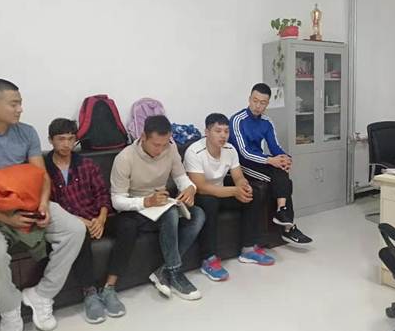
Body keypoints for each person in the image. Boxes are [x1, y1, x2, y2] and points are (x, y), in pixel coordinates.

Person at [0, 79, 85, 331]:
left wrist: (43, 204)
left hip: (28, 201)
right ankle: (9, 309)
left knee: (75, 229)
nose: (20, 109)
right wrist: (3, 217)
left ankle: (42, 295)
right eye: (14, 104)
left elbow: (41, 177)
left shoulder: (27, 132)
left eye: (20, 103)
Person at [45, 118, 133, 323]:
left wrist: (101, 219)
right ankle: (90, 292)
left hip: (96, 216)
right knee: (77, 233)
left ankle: (109, 287)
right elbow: (51, 206)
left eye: (71, 139)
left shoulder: (86, 164)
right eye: (61, 139)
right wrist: (84, 222)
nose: (66, 144)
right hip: (70, 221)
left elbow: (102, 193)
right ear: (50, 140)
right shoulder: (44, 169)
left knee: (129, 225)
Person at [110, 115, 205, 300]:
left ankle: (163, 271)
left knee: (198, 214)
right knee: (170, 213)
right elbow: (117, 200)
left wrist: (190, 189)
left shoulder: (171, 148)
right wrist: (146, 202)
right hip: (136, 210)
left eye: (164, 144)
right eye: (156, 145)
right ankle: (175, 272)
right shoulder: (125, 158)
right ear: (143, 137)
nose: (160, 150)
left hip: (161, 204)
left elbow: (181, 177)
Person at [184, 113, 275, 282]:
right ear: (207, 132)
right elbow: (201, 187)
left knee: (252, 194)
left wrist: (243, 186)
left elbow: (238, 176)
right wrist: (234, 191)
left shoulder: (230, 149)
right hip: (199, 196)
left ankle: (248, 249)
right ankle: (208, 259)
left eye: (226, 131)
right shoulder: (194, 151)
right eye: (218, 131)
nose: (223, 135)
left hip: (221, 191)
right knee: (210, 202)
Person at [229, 83, 313, 244]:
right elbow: (244, 152)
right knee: (280, 177)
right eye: (255, 101)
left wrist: (285, 158)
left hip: (260, 160)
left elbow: (275, 147)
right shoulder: (237, 120)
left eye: (262, 103)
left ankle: (282, 213)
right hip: (241, 164)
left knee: (281, 170)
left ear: (267, 104)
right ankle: (288, 227)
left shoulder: (267, 121)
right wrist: (271, 160)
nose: (258, 106)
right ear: (249, 99)